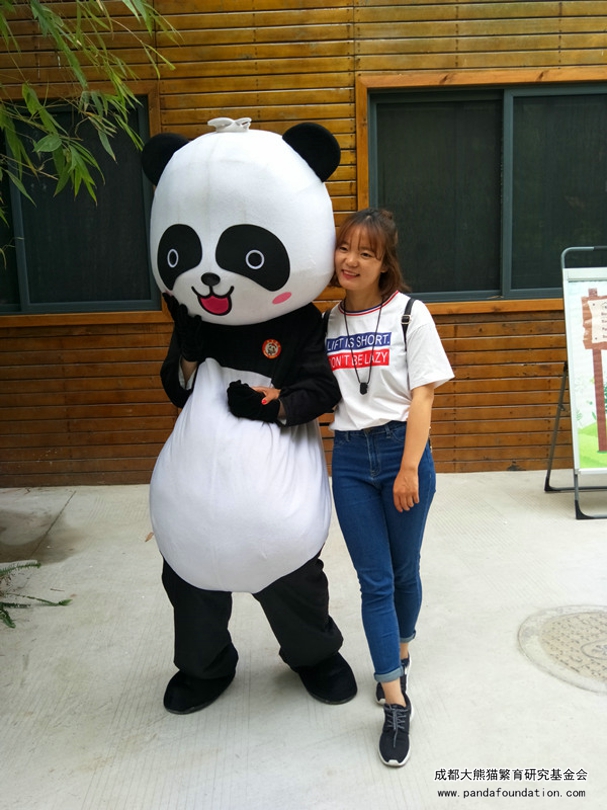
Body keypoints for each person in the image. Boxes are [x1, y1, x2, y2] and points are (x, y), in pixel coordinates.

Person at [324, 208, 453, 767]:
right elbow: (318, 390)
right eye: (344, 247)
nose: (351, 260)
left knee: (404, 571)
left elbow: (424, 395)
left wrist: (408, 468)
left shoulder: (410, 314)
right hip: (350, 458)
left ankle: (399, 652)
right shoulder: (326, 321)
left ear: (384, 263)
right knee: (374, 582)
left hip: (404, 450)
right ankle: (396, 701)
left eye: (366, 252)